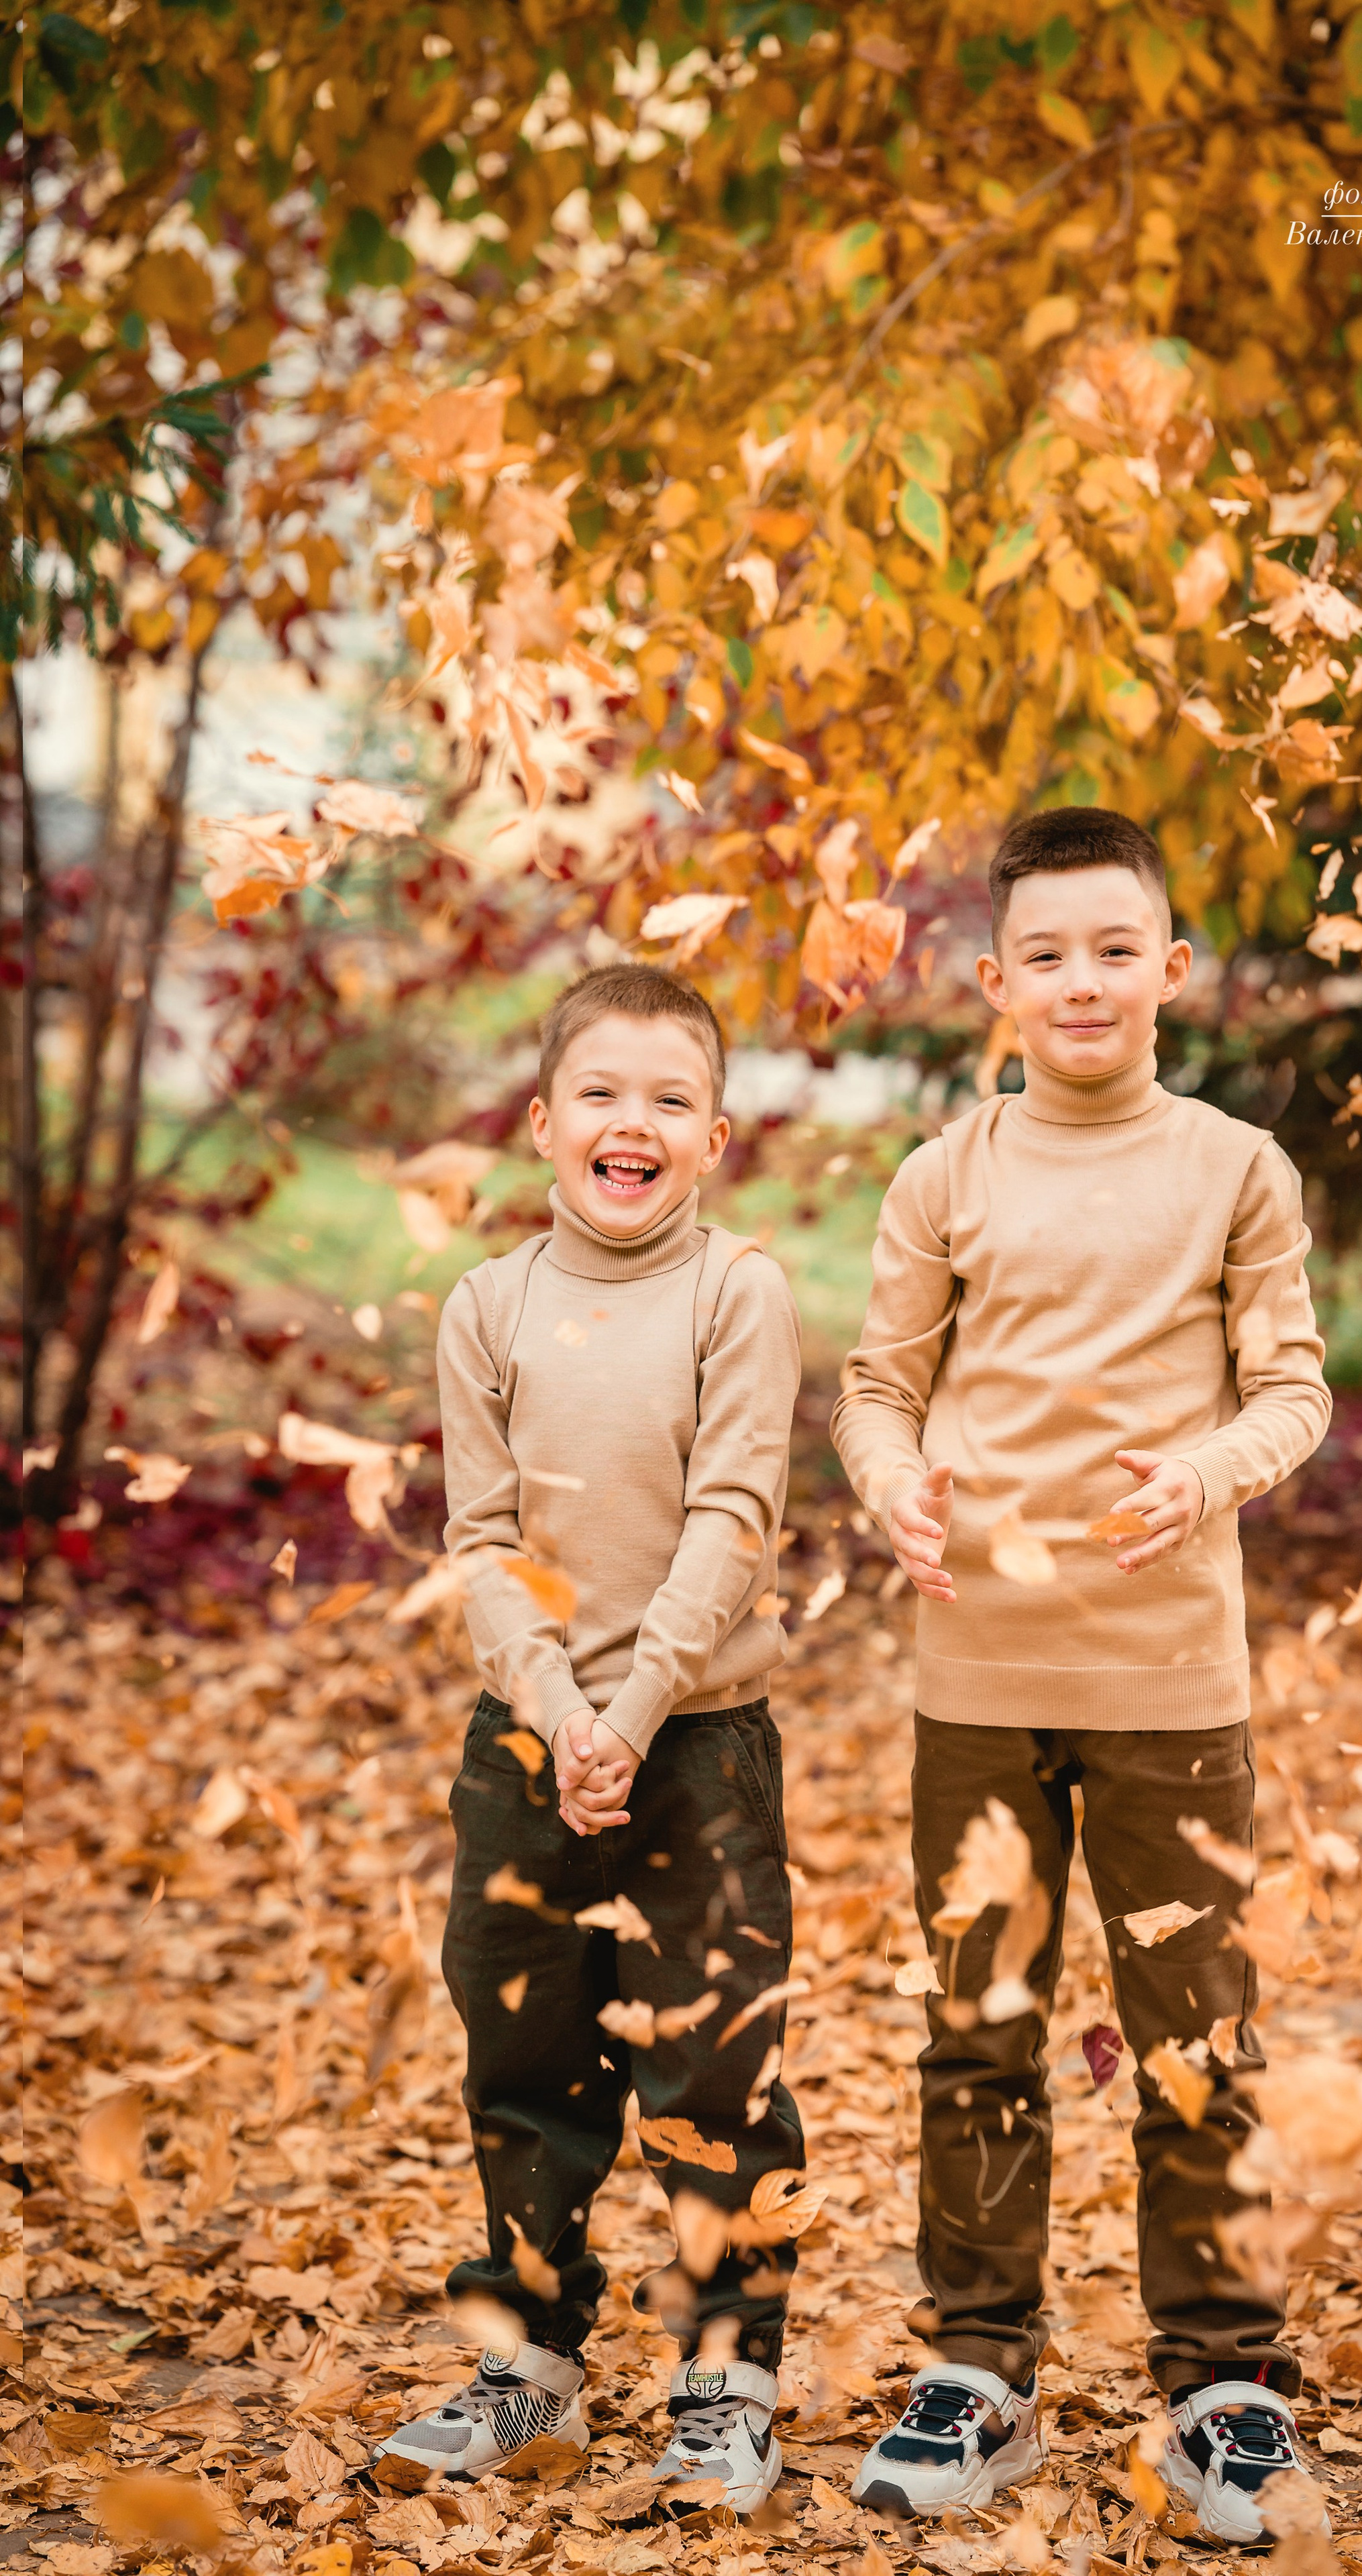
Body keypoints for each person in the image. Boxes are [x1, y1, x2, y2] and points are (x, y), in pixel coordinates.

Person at [831, 809, 1333, 2544]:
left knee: (1199, 2042)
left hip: (1172, 1685)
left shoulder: (1236, 1169)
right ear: (995, 982)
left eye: (1116, 949)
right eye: (1046, 954)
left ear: (1169, 969)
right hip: (976, 1678)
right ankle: (979, 2368)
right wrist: (890, 1481)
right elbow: (878, 1390)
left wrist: (1206, 1472)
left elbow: (1291, 1390)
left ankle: (1223, 2387)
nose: (1083, 981)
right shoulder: (944, 1175)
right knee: (978, 2033)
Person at [370, 964, 804, 2512]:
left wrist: (626, 1715)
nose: (636, 1123)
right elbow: (481, 1540)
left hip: (697, 1747)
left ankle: (725, 2381)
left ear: (714, 1137)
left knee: (712, 2069)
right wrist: (558, 1715)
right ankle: (530, 2359)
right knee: (526, 2059)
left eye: (671, 1099)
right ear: (545, 1122)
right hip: (526, 1748)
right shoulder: (487, 1308)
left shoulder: (735, 1292)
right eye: (602, 1094)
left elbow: (733, 1516)